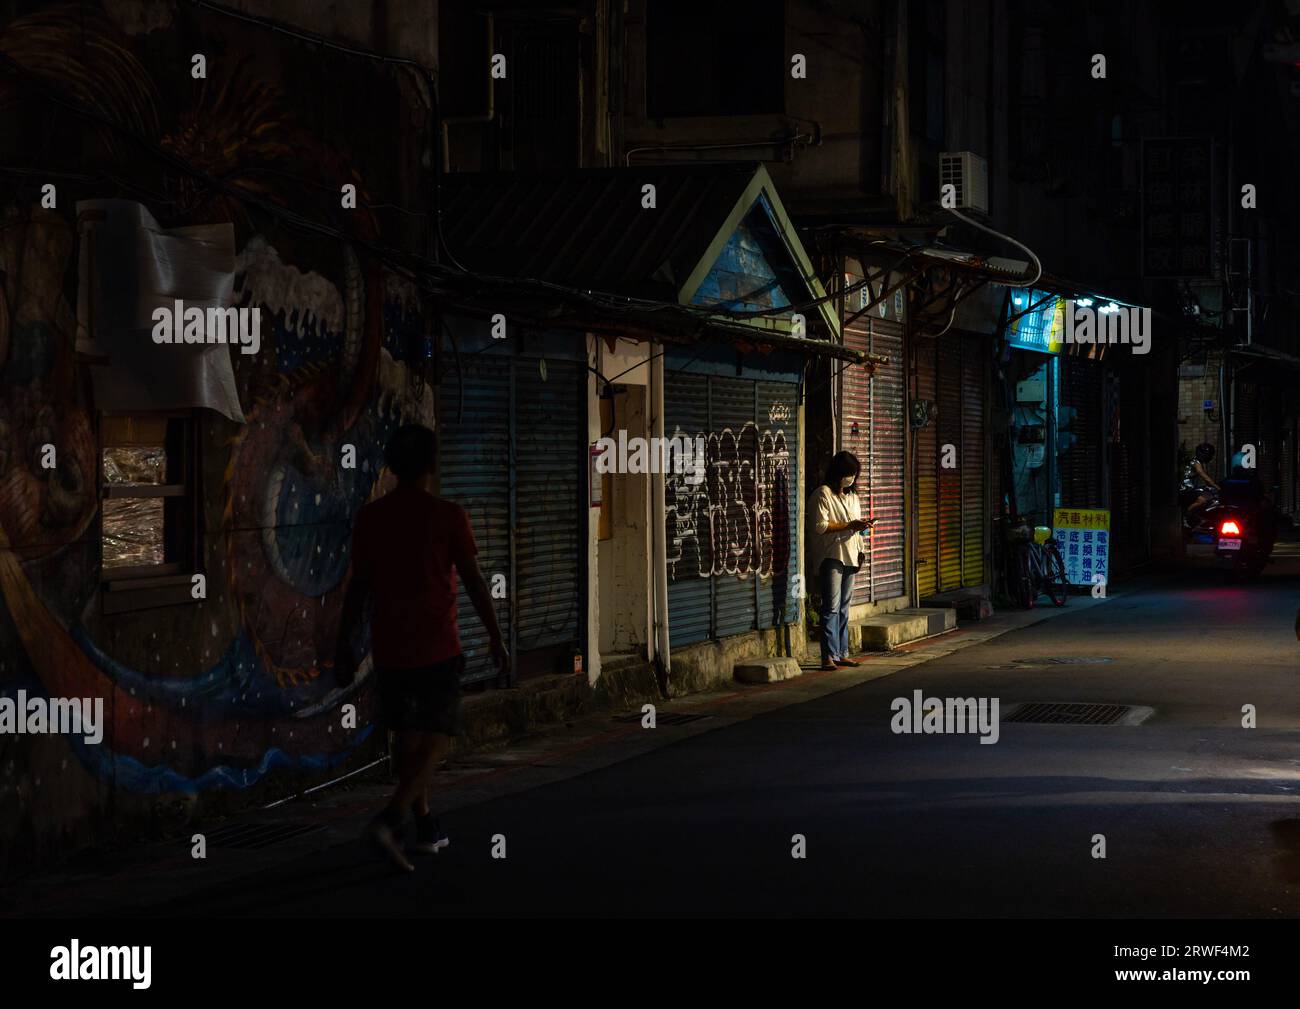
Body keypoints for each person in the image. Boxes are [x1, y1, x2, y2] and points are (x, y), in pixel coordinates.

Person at [334, 423, 509, 872]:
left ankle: (426, 825)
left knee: (412, 738)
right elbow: (473, 582)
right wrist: (494, 635)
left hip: (389, 647)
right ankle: (390, 819)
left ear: (391, 465)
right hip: (436, 646)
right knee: (439, 736)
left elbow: (359, 589)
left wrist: (343, 644)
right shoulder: (448, 516)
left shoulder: (372, 519)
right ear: (432, 463)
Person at [810, 451, 875, 672]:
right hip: (832, 556)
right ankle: (827, 656)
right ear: (839, 473)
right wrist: (849, 525)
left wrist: (862, 532)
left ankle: (842, 653)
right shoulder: (822, 494)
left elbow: (854, 527)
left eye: (854, 475)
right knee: (831, 607)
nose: (852, 479)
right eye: (849, 474)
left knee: (844, 608)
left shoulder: (852, 497)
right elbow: (820, 526)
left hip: (851, 554)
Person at [1181, 442, 1220, 522]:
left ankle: (1198, 518)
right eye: (1209, 455)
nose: (1210, 457)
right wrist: (1217, 487)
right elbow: (1203, 475)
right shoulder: (1196, 462)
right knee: (1202, 501)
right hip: (1185, 489)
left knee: (1209, 495)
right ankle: (1185, 517)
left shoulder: (1199, 462)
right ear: (1204, 455)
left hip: (1191, 488)